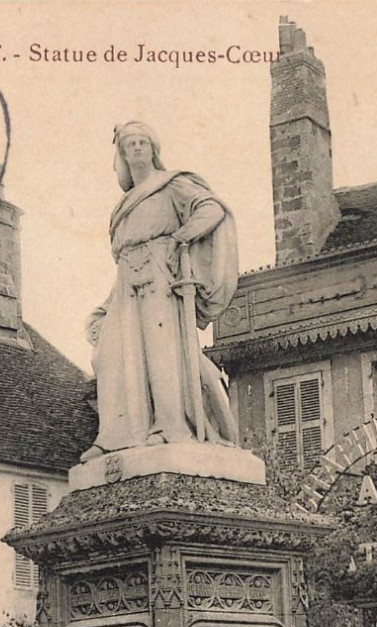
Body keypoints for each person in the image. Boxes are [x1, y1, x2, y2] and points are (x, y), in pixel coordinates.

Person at [81, 121, 239, 462]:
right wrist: (105, 305)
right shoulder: (122, 207)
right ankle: (115, 435)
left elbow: (211, 209)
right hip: (126, 283)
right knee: (107, 357)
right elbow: (121, 259)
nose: (137, 148)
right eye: (130, 144)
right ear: (122, 154)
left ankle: (170, 428)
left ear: (154, 149)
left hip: (160, 277)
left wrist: (183, 237)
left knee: (161, 357)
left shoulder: (172, 185)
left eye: (143, 142)